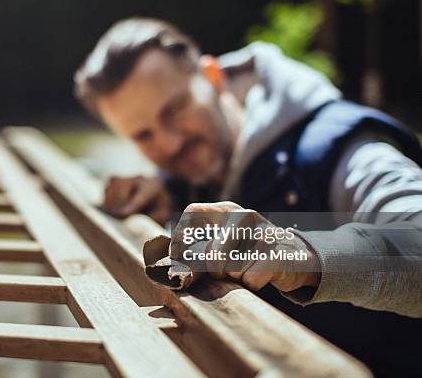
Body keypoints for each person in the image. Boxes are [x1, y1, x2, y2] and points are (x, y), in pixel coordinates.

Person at [74, 18, 422, 325]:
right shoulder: (185, 178)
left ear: (212, 78)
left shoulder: (341, 148)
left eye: (175, 110)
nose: (169, 144)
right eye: (143, 135)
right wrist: (167, 193)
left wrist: (299, 253)